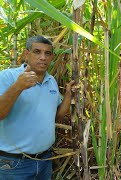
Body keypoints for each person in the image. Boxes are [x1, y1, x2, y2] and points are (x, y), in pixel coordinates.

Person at [0, 35, 73, 179]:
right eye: (37, 52)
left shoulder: (51, 81)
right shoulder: (8, 77)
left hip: (44, 160)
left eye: (47, 53)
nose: (43, 57)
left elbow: (56, 116)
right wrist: (18, 87)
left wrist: (69, 95)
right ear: (26, 54)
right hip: (14, 164)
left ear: (52, 58)